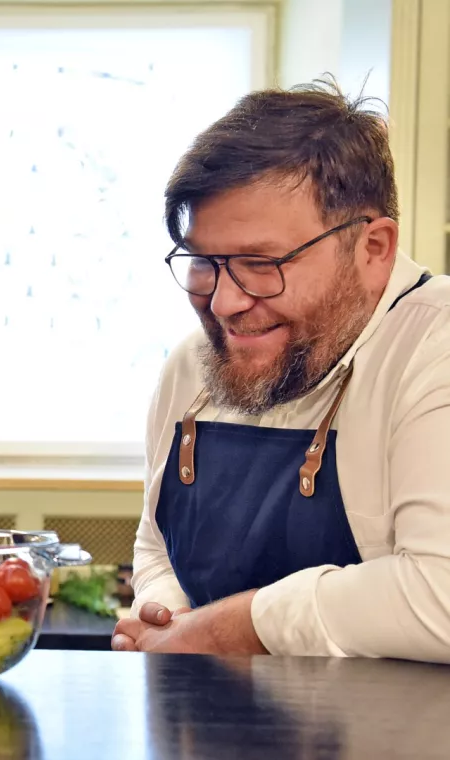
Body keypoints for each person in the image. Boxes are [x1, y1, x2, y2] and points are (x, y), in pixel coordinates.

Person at [113, 79, 450, 662]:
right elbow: (157, 544)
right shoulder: (193, 365)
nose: (222, 304)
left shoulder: (433, 347)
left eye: (260, 263)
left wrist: (223, 631)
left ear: (374, 248)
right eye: (202, 261)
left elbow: (439, 598)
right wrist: (168, 616)